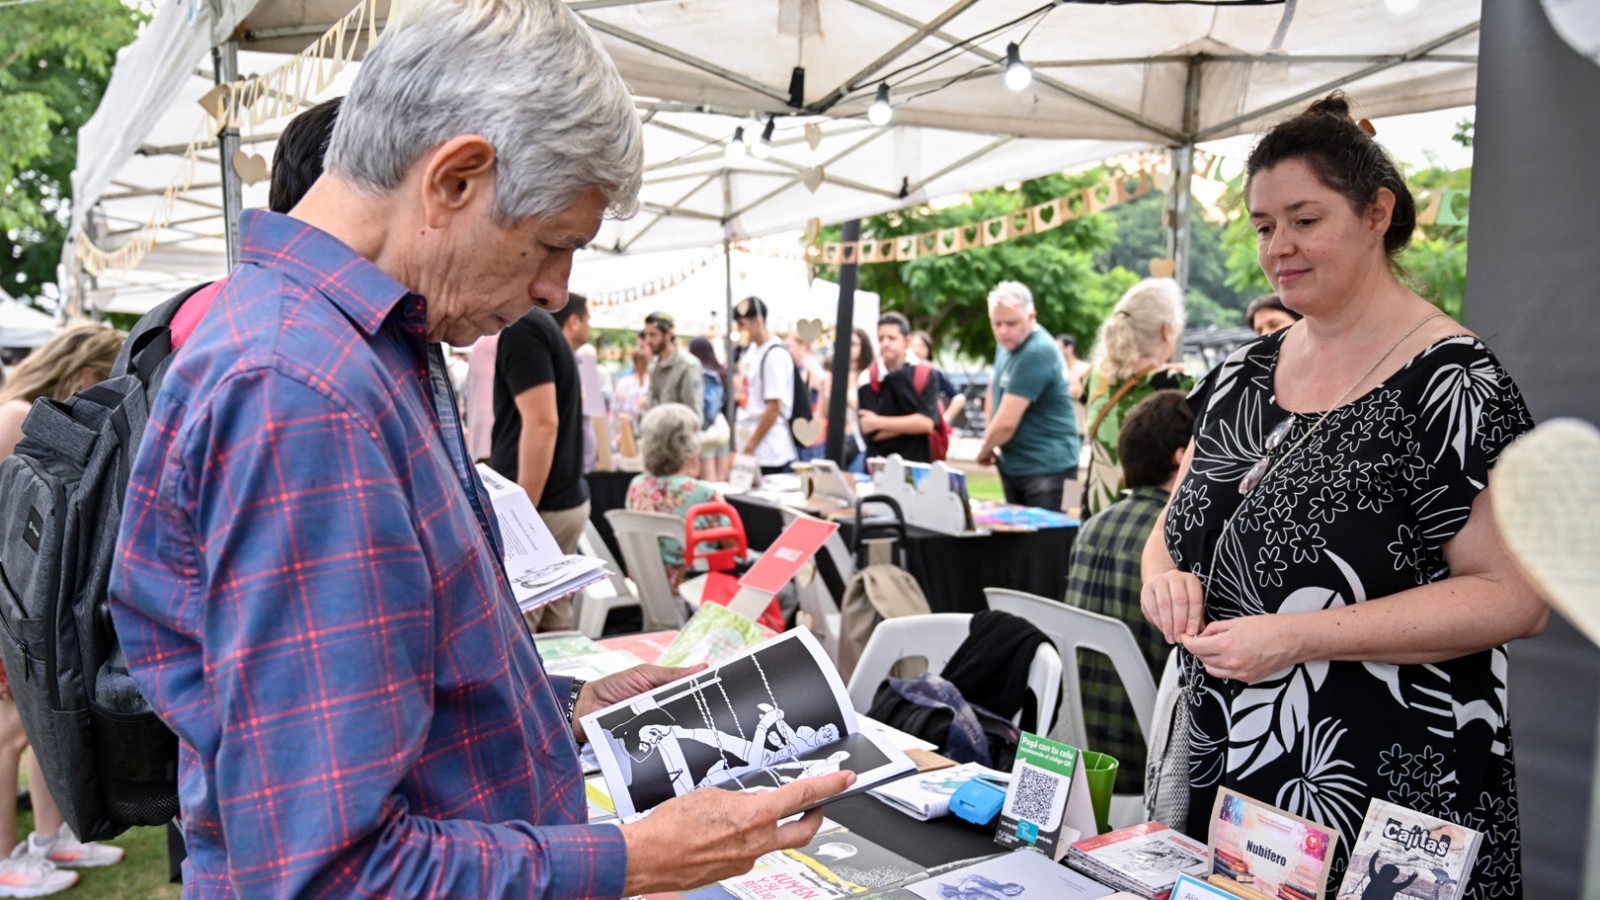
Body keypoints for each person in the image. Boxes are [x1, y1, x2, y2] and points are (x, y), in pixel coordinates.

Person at [108, 2, 850, 895]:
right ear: (455, 179)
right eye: (550, 245)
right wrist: (636, 859)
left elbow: (389, 687)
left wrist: (556, 711)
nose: (552, 289)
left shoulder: (363, 347)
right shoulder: (303, 394)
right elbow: (330, 874)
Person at [1140, 93, 1543, 896]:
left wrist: (1299, 637)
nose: (1277, 248)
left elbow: (1514, 599)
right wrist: (1167, 581)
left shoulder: (1455, 384)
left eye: (1303, 220)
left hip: (1387, 790)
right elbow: (1174, 528)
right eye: (1262, 226)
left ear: (1375, 213)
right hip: (1235, 780)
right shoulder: (1242, 375)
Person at [0, 325, 127, 898]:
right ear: (82, 374)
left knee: (38, 717)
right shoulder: (17, 414)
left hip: (22, 593)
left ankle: (50, 838)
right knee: (6, 731)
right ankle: (4, 860)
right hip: (10, 592)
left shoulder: (28, 412)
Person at [1063, 390, 1192, 779]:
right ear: (1181, 456)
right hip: (1148, 751)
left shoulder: (1091, 527)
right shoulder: (1179, 542)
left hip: (1078, 738)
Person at [492, 294, 596, 631]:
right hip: (559, 500)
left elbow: (542, 424)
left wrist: (523, 512)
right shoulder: (537, 327)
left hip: (545, 504)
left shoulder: (523, 328)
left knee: (522, 627)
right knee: (553, 620)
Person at [1081, 278, 1193, 518]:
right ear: (1167, 330)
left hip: (1096, 510)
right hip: (1148, 515)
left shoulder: (1095, 375)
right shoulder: (1180, 384)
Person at [975, 282, 1080, 511]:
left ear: (1031, 317)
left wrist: (985, 449)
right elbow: (994, 390)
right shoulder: (1007, 344)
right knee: (1021, 542)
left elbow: (1006, 425)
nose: (1003, 331)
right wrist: (989, 437)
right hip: (1020, 464)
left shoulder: (1037, 351)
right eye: (997, 323)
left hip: (1052, 468)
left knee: (1054, 540)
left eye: (1011, 323)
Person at [627, 402, 726, 587]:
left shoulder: (637, 486)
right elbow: (733, 549)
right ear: (689, 447)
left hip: (649, 589)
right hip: (699, 590)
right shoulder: (704, 493)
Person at [857, 313, 939, 464]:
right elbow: (870, 432)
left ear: (906, 341)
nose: (885, 343)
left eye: (892, 338)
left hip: (917, 462)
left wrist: (878, 421)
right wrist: (912, 424)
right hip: (879, 463)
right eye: (881, 338)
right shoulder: (868, 378)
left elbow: (927, 423)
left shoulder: (925, 374)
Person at [732, 296, 798, 474]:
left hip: (768, 450)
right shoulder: (752, 350)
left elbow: (774, 407)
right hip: (751, 445)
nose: (740, 329)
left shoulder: (774, 354)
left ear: (758, 321)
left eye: (743, 323)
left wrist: (750, 446)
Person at [688, 336, 731, 482]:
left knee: (709, 480)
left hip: (706, 429)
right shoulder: (721, 371)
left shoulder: (700, 373)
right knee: (722, 480)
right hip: (722, 426)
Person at [643, 311, 702, 413]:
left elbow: (693, 414)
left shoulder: (687, 365)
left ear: (669, 334)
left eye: (653, 335)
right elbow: (651, 405)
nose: (648, 340)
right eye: (646, 335)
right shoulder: (654, 366)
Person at [908, 330, 966, 427]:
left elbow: (959, 398)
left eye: (921, 346)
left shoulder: (933, 374)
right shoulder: (900, 373)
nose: (916, 350)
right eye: (913, 346)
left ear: (928, 350)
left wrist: (944, 419)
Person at [786, 331, 828, 461]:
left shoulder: (809, 365)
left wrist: (817, 415)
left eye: (789, 346)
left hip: (811, 431)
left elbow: (824, 385)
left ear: (803, 346)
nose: (787, 351)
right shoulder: (802, 366)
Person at [613, 331, 651, 439]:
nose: (640, 351)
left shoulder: (655, 380)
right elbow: (617, 411)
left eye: (643, 347)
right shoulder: (625, 382)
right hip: (628, 436)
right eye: (639, 346)